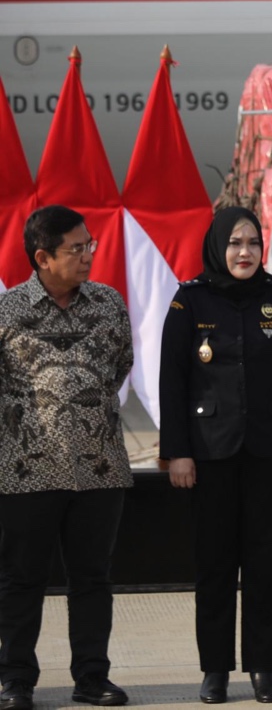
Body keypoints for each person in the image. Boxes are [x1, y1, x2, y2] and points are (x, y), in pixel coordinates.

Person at [159, 207, 272, 704]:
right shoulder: (190, 300)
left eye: (253, 241)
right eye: (234, 243)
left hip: (270, 453)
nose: (245, 252)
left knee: (264, 566)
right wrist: (177, 453)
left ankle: (263, 668)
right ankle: (214, 670)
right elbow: (173, 381)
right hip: (209, 455)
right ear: (217, 246)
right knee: (213, 566)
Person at [0, 206, 134, 710]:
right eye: (75, 248)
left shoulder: (108, 303)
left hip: (99, 467)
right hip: (25, 470)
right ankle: (16, 681)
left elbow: (121, 363)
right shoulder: (9, 311)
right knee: (21, 578)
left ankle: (92, 678)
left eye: (89, 245)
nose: (87, 256)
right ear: (42, 257)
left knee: (93, 578)